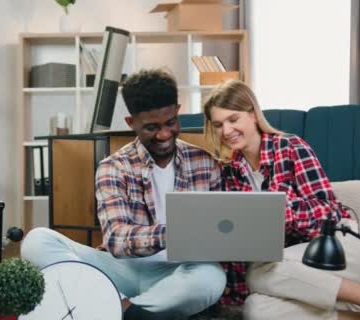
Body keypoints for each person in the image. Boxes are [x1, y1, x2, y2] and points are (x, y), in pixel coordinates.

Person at [202, 80, 360, 320]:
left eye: (233, 119)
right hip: (296, 274)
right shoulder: (230, 173)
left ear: (252, 114)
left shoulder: (290, 147)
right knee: (256, 310)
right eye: (219, 124)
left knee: (258, 273)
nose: (226, 131)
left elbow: (327, 212)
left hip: (340, 249)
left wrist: (275, 212)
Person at [21, 69, 226, 319]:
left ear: (177, 110)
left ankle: (112, 309)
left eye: (170, 123)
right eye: (151, 127)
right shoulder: (113, 167)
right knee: (37, 240)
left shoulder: (204, 163)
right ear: (131, 123)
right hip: (120, 269)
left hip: (177, 273)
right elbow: (117, 241)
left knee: (211, 277)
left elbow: (217, 235)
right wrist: (178, 231)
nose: (164, 135)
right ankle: (126, 308)